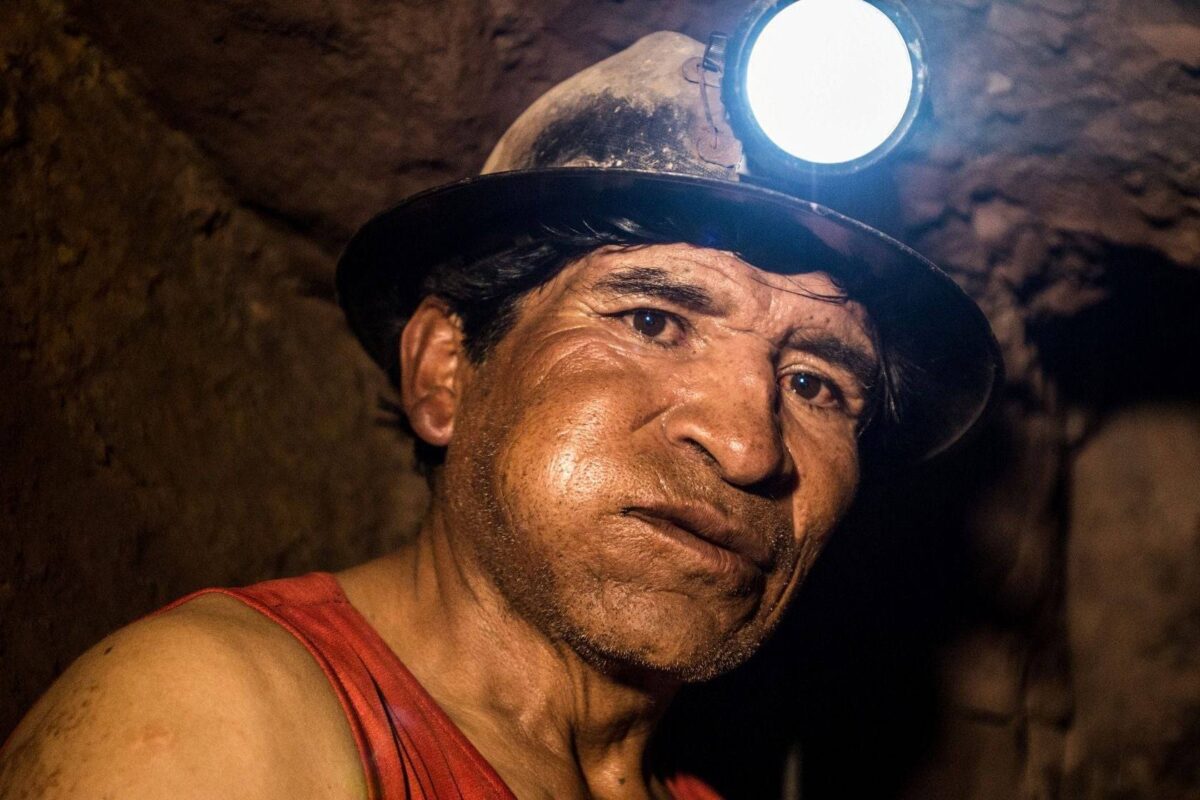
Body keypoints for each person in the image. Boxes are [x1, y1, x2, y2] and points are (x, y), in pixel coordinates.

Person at [0, 32, 1000, 799]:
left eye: (817, 384)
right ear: (445, 371)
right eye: (653, 319)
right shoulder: (219, 725)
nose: (746, 448)